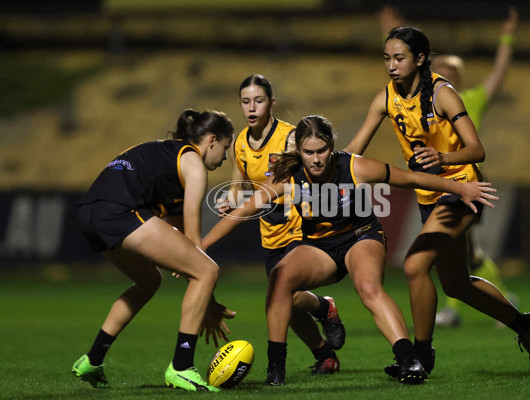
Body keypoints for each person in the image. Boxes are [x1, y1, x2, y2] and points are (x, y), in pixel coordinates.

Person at [202, 114, 499, 386]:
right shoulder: (288, 177)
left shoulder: (354, 166)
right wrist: (201, 248)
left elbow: (410, 179)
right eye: (309, 152)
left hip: (360, 238)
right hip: (319, 247)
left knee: (368, 287)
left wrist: (459, 188)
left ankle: (410, 362)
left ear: (331, 146)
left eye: (322, 151)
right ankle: (275, 371)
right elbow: (241, 212)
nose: (316, 159)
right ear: (299, 152)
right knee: (279, 279)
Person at [344, 26, 530, 377]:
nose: (391, 66)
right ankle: (525, 325)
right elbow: (351, 152)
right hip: (429, 198)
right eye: (387, 58)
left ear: (420, 59)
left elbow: (476, 150)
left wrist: (442, 158)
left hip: (462, 191)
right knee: (456, 284)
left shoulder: (443, 94)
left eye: (399, 58)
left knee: (414, 266)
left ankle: (421, 355)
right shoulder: (386, 97)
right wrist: (310, 164)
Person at [72, 109, 236, 392]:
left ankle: (93, 360)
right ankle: (182, 367)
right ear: (211, 140)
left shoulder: (166, 156)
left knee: (150, 280)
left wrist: (189, 269)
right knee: (208, 270)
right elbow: (194, 243)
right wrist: (208, 303)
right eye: (225, 147)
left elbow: (176, 238)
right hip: (119, 212)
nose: (225, 158)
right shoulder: (193, 164)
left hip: (90, 213)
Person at [379, 4, 522, 328]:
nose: (437, 71)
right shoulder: (415, 95)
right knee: (461, 260)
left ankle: (442, 326)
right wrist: (392, 28)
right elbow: (402, 55)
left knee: (441, 256)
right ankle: (509, 311)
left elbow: (498, 74)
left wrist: (508, 38)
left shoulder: (468, 98)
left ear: (456, 75)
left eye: (445, 68)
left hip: (462, 185)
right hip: (433, 189)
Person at [217, 74, 345, 375]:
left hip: (300, 227)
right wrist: (230, 199)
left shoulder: (290, 137)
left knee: (281, 296)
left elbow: (309, 174)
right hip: (270, 232)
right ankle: (325, 348)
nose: (252, 108)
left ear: (271, 103)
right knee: (286, 305)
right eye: (246, 102)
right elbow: (240, 186)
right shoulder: (240, 144)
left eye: (259, 101)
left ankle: (289, 357)